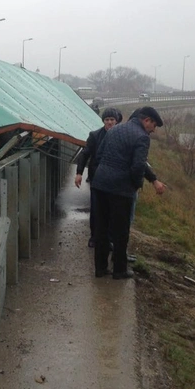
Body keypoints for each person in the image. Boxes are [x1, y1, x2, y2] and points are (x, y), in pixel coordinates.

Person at [91, 106, 165, 279]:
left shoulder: (114, 129)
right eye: (153, 126)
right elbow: (138, 165)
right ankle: (119, 270)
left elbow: (99, 155)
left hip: (100, 185)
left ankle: (100, 269)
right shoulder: (142, 137)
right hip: (120, 190)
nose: (153, 131)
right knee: (120, 231)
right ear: (147, 120)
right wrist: (136, 184)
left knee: (101, 228)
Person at [74, 107, 122, 248]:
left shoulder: (122, 135)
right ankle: (94, 237)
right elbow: (85, 154)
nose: (109, 122)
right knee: (96, 209)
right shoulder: (95, 136)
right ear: (103, 121)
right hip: (97, 179)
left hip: (115, 180)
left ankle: (110, 239)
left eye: (112, 120)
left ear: (116, 120)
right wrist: (79, 173)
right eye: (107, 120)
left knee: (113, 211)